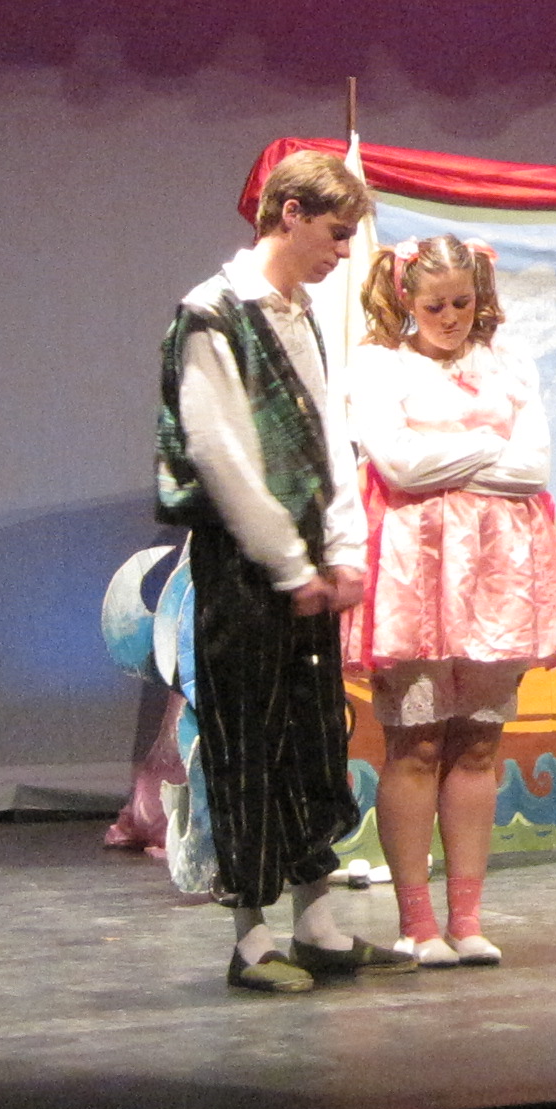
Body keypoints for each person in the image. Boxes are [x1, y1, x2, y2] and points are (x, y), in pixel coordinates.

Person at [158, 146, 397, 992]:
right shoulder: (212, 314)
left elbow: (329, 440)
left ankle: (318, 923)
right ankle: (252, 938)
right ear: (289, 214)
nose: (343, 252)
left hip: (306, 563)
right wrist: (290, 565)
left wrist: (343, 550)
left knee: (313, 737)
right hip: (244, 562)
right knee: (248, 741)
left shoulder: (302, 315)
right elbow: (221, 453)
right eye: (335, 232)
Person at [346, 234, 556, 968]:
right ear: (405, 299)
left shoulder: (506, 364)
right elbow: (399, 464)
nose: (451, 318)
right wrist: (488, 447)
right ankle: (417, 922)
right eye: (435, 306)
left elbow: (534, 468)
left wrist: (448, 461)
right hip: (416, 570)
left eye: (461, 302)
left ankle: (468, 918)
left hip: (499, 570)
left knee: (480, 740)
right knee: (417, 740)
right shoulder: (380, 365)